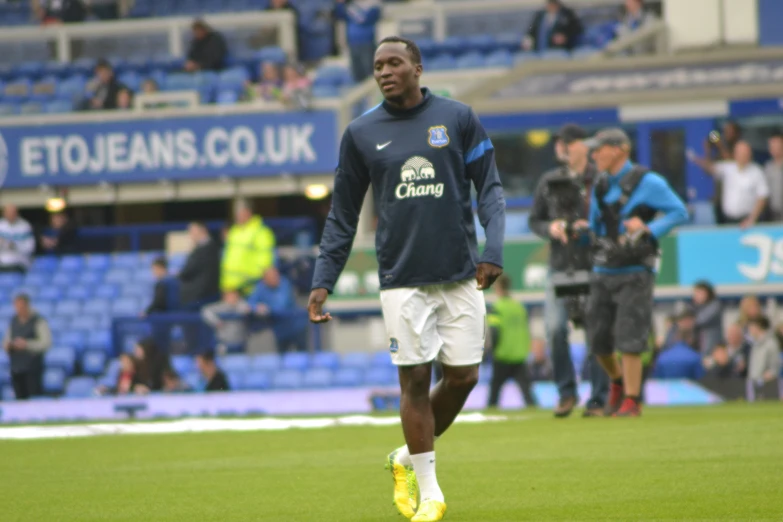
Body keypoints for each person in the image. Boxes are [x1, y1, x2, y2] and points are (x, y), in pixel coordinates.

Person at [308, 37, 505, 521]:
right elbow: (343, 214)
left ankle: (406, 457)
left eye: (394, 62)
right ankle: (432, 492)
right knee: (415, 379)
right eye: (377, 66)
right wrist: (323, 278)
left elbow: (491, 188)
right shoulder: (360, 132)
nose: (384, 72)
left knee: (464, 376)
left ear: (417, 66)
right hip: (401, 278)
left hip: (460, 274)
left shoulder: (457, 118)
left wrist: (492, 249)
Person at [585, 128, 688, 417]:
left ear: (619, 149)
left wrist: (648, 230)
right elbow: (595, 224)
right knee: (598, 340)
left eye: (599, 149)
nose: (594, 155)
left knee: (630, 337)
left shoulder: (649, 181)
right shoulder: (601, 183)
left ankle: (632, 400)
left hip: (636, 269)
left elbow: (679, 211)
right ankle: (617, 382)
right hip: (602, 267)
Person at [528, 123, 608, 418]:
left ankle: (598, 399)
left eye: (569, 142)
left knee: (596, 335)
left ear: (584, 146)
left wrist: (595, 228)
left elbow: (615, 216)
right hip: (561, 266)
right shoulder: (549, 180)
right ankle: (566, 392)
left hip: (596, 265)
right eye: (560, 142)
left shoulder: (600, 179)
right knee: (555, 329)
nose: (563, 146)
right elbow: (534, 220)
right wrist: (551, 227)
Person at [689, 140, 768, 228]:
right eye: (740, 152)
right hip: (728, 221)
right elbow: (710, 168)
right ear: (735, 154)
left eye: (745, 152)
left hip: (747, 221)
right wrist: (704, 153)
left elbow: (762, 196)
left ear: (750, 154)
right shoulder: (728, 168)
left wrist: (752, 219)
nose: (742, 155)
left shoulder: (757, 172)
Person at [486, 275, 536, 409]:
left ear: (497, 287)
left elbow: (494, 331)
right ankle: (534, 410)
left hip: (503, 353)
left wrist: (491, 350)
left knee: (495, 391)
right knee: (527, 392)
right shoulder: (519, 307)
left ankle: (491, 412)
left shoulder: (497, 307)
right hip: (519, 353)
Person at [221, 200, 276, 294]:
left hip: (252, 286)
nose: (238, 216)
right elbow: (228, 258)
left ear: (248, 212)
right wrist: (226, 285)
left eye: (241, 213)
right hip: (232, 288)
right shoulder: (234, 231)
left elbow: (265, 257)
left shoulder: (260, 231)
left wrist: (262, 276)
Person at [3, 294, 52, 400]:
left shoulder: (38, 321)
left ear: (27, 305)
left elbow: (45, 343)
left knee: (34, 399)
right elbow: (7, 339)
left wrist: (26, 344)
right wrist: (7, 345)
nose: (19, 309)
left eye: (21, 306)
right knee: (19, 398)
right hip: (16, 367)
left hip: (33, 368)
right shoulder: (13, 321)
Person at [248, 267, 308, 353]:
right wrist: (256, 307)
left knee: (301, 353)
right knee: (281, 355)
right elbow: (250, 303)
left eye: (275, 276)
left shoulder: (285, 284)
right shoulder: (261, 287)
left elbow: (281, 305)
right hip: (278, 328)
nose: (274, 279)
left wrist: (267, 308)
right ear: (265, 279)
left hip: (294, 325)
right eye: (270, 277)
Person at [334, 0, 382, 83]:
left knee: (369, 72)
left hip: (367, 43)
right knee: (356, 72)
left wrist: (352, 9)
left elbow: (364, 19)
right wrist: (340, 4)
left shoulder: (374, 6)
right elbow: (339, 15)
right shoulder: (350, 7)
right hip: (353, 43)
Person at [179, 222, 221, 310]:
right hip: (202, 293)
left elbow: (187, 271)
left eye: (193, 231)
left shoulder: (205, 249)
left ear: (202, 230)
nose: (191, 235)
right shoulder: (209, 247)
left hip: (200, 295)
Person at [746, 316, 781, 387]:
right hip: (754, 385)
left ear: (758, 327)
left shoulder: (771, 344)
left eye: (751, 327)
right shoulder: (755, 345)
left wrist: (765, 377)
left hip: (767, 386)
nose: (749, 330)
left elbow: (775, 368)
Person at [0, 205, 35, 274]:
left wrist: (13, 245)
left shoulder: (25, 226)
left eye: (13, 212)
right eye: (8, 212)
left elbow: (30, 248)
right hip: (2, 263)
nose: (11, 214)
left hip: (20, 263)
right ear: (4, 213)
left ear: (17, 213)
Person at [763, 133, 783, 221]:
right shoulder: (768, 168)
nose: (773, 149)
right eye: (771, 146)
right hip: (773, 213)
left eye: (777, 146)